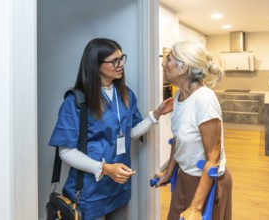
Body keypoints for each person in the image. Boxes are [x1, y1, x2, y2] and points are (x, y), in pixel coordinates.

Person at [48, 38, 173, 220]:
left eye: (122, 58)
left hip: (118, 188)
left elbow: (128, 134)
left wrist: (156, 114)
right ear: (95, 65)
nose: (121, 64)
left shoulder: (126, 94)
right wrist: (104, 168)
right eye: (114, 61)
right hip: (89, 192)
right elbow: (66, 151)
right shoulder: (76, 101)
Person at [154, 39, 232, 220]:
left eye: (169, 59)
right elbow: (177, 140)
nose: (163, 63)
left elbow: (213, 158)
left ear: (183, 68)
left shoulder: (204, 100)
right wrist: (168, 173)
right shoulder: (179, 96)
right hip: (184, 176)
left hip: (207, 183)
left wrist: (196, 208)